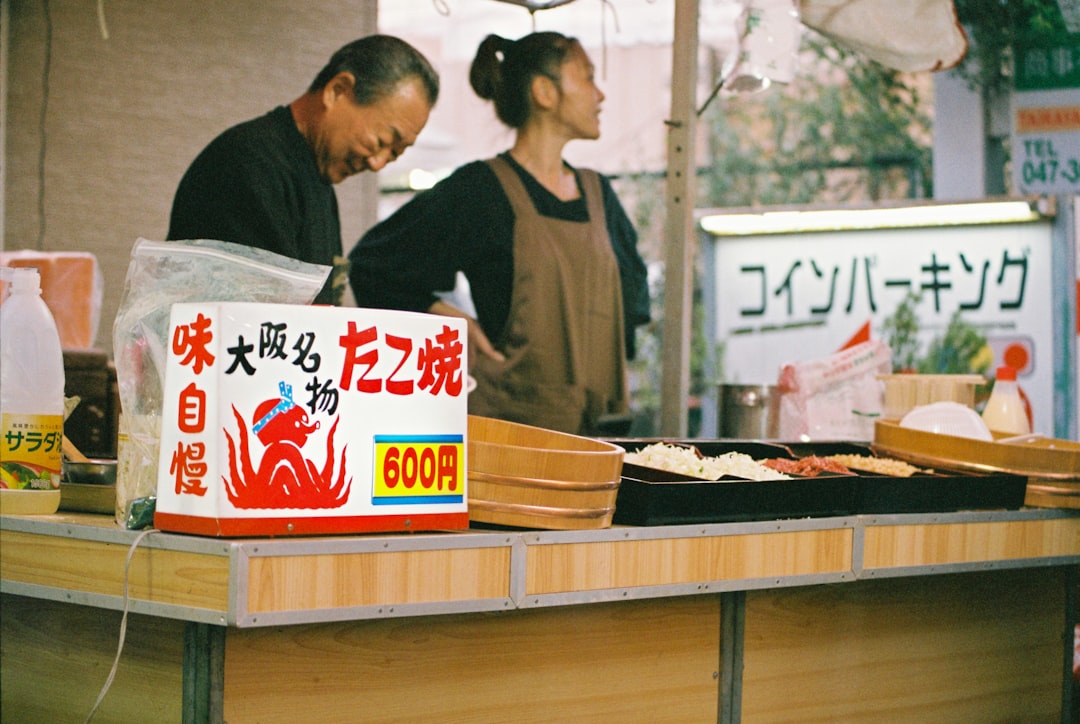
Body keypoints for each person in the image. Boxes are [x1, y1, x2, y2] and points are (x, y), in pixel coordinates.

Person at [349, 31, 649, 435]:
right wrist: (445, 317)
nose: (600, 95)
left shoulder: (599, 195)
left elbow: (632, 304)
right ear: (544, 91)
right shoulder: (481, 190)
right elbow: (374, 265)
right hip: (511, 433)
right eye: (588, 77)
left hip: (598, 432)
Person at [168, 35, 439, 306]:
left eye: (395, 153)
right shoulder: (247, 163)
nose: (377, 163)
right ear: (337, 90)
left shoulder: (317, 177)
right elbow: (253, 321)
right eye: (381, 142)